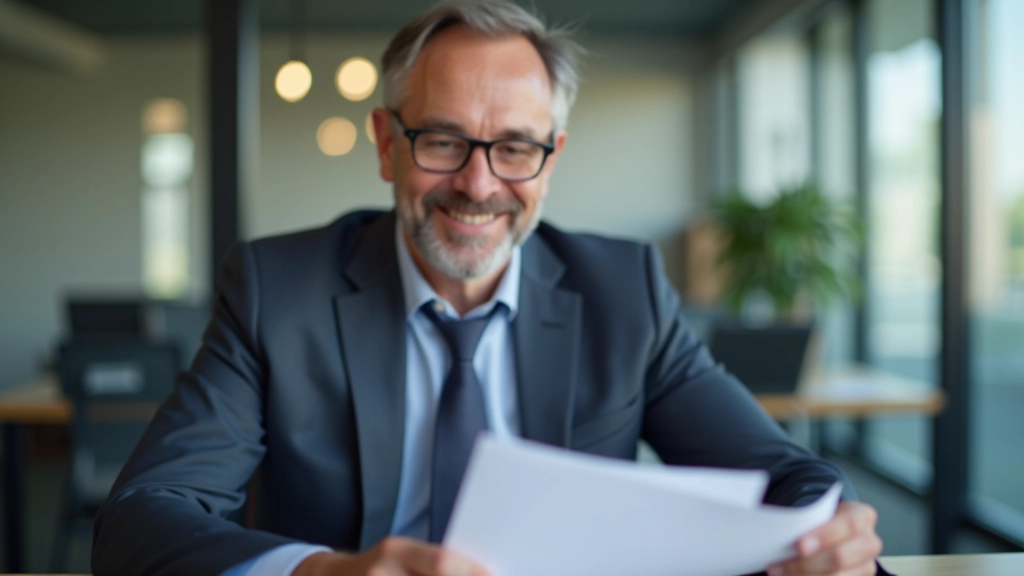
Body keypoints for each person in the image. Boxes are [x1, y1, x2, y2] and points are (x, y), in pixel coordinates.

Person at [92, 1, 887, 575]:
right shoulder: (276, 290)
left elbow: (789, 475)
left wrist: (830, 536)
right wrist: (327, 575)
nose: (478, 184)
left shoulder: (625, 292)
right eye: (442, 140)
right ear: (385, 144)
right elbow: (141, 520)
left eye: (515, 148)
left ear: (553, 157)